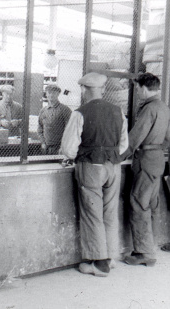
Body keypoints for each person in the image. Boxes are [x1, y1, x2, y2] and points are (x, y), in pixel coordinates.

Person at [60, 72, 128, 277]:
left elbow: (69, 148)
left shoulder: (80, 113)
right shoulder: (119, 112)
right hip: (114, 168)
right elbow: (124, 145)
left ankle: (99, 264)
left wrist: (76, 155)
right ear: (103, 90)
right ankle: (110, 257)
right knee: (109, 212)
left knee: (92, 214)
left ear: (83, 90)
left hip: (90, 167)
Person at [122, 72, 170, 266]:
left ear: (142, 88)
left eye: (138, 88)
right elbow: (168, 138)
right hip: (158, 160)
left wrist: (118, 156)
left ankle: (144, 253)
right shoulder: (164, 107)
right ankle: (149, 247)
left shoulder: (148, 108)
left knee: (138, 203)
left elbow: (135, 138)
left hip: (145, 160)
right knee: (151, 204)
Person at [38, 84, 72, 155]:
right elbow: (40, 129)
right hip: (45, 148)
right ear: (46, 94)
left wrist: (63, 146)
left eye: (54, 93)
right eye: (49, 92)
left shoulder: (65, 110)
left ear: (58, 94)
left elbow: (69, 130)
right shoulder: (43, 111)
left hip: (59, 148)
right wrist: (43, 143)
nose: (51, 95)